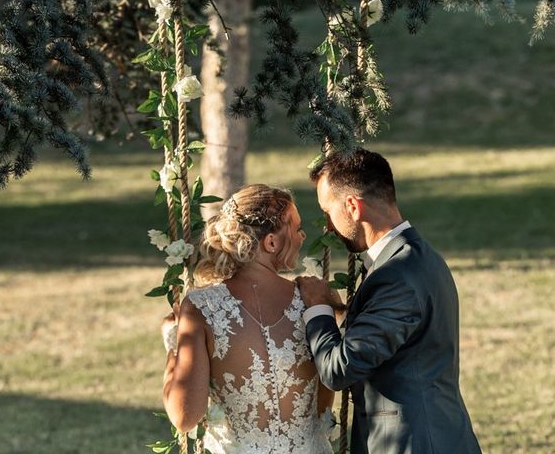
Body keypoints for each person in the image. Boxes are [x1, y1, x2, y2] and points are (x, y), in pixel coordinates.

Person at [297, 148, 482, 454]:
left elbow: (338, 370)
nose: (328, 226)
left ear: (353, 207)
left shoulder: (396, 275)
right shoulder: (419, 258)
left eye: (327, 211)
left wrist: (317, 309)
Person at [162, 184, 335, 454]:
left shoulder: (202, 307)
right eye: (297, 228)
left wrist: (173, 342)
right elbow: (324, 405)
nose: (302, 236)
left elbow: (184, 417)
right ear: (271, 242)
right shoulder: (313, 300)